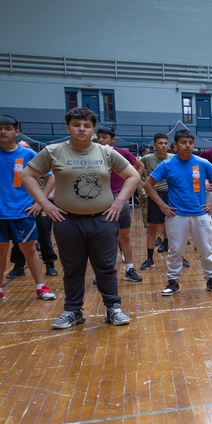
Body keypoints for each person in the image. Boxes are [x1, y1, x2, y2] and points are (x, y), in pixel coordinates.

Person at [23, 107, 142, 329]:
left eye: (87, 126)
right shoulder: (53, 151)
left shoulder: (105, 152)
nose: (81, 129)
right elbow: (28, 175)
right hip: (67, 221)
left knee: (106, 267)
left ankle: (112, 308)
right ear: (68, 127)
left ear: (93, 130)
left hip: (102, 220)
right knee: (73, 268)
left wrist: (119, 202)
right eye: (76, 124)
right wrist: (45, 204)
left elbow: (133, 175)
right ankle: (73, 311)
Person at [145, 129, 212, 297]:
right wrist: (161, 205)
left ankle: (211, 279)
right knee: (175, 250)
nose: (188, 146)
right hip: (176, 216)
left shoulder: (202, 163)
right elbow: (148, 184)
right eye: (183, 142)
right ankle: (173, 282)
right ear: (175, 145)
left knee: (205, 249)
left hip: (200, 214)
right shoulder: (167, 165)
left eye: (190, 142)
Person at [0, 114, 56, 302]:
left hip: (22, 211)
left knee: (29, 249)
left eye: (8, 128)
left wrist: (39, 202)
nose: (3, 131)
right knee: (1, 250)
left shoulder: (28, 155)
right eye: (0, 128)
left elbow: (51, 177)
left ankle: (41, 287)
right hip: (1, 214)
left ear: (16, 132)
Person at [96, 125, 144, 282]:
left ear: (113, 139)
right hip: (98, 199)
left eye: (105, 137)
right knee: (101, 237)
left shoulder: (122, 153)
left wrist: (130, 186)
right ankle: (103, 273)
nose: (101, 140)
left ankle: (130, 269)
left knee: (125, 235)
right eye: (99, 137)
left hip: (118, 197)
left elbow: (139, 166)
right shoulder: (92, 154)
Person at [138, 132, 173, 271]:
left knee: (174, 227)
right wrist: (144, 187)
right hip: (155, 195)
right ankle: (149, 258)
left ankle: (178, 256)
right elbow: (134, 173)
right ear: (154, 145)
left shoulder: (173, 158)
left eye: (165, 143)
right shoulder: (146, 159)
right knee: (152, 228)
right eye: (160, 143)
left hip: (172, 195)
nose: (163, 146)